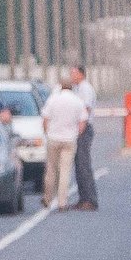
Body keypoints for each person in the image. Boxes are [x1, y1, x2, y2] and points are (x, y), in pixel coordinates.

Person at [40, 77, 88, 211]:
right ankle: (62, 202)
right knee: (65, 171)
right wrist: (76, 133)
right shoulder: (77, 101)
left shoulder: (53, 99)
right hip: (69, 139)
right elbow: (83, 121)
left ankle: (47, 198)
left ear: (61, 86)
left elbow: (45, 118)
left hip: (53, 138)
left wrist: (47, 132)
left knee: (51, 170)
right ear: (72, 87)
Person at [70, 64, 99, 210]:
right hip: (77, 128)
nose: (71, 76)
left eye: (74, 73)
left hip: (84, 129)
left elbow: (85, 109)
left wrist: (80, 129)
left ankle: (90, 199)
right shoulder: (77, 89)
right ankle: (82, 198)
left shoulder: (85, 89)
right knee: (78, 167)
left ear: (81, 74)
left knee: (84, 165)